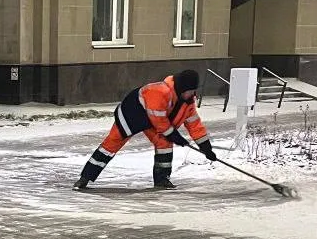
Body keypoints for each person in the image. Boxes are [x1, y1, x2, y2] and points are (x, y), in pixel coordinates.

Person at [73, 69, 216, 191]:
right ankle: (85, 177)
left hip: (153, 119)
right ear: (182, 88)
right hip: (133, 113)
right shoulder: (161, 91)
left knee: (164, 143)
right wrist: (174, 135)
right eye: (190, 91)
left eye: (193, 91)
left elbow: (195, 125)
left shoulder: (188, 103)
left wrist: (206, 148)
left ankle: (162, 179)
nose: (192, 94)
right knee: (112, 143)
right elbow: (159, 120)